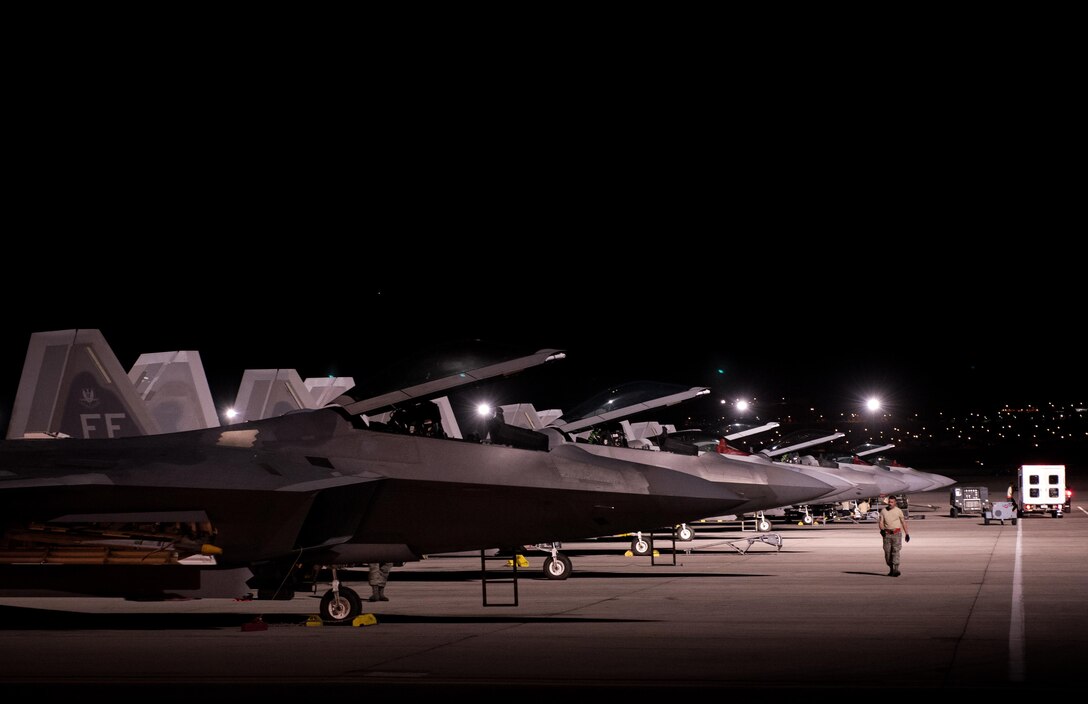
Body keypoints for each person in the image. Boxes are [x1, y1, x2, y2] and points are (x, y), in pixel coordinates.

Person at [878, 495, 909, 577]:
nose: (890, 504)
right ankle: (891, 569)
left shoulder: (898, 511)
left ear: (895, 503)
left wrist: (907, 534)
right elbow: (881, 522)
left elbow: (903, 522)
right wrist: (882, 530)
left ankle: (895, 569)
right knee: (887, 553)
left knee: (895, 551)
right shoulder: (883, 511)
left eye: (892, 502)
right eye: (889, 502)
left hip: (896, 534)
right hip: (887, 535)